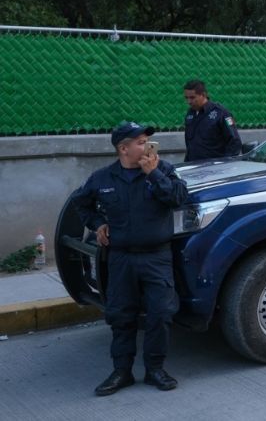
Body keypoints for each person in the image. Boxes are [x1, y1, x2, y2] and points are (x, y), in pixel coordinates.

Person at [70, 122, 188, 396]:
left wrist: (154, 174)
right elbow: (81, 202)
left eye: (147, 140)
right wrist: (97, 223)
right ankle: (121, 372)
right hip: (121, 258)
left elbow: (179, 198)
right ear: (123, 149)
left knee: (160, 315)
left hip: (156, 257)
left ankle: (155, 370)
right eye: (139, 142)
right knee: (121, 316)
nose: (147, 146)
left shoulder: (164, 170)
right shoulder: (103, 178)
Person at [183, 80, 242, 162]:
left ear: (203, 95)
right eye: (186, 98)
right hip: (193, 166)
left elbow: (235, 142)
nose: (189, 101)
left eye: (192, 97)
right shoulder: (190, 114)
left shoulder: (221, 113)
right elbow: (190, 144)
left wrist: (224, 164)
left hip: (214, 168)